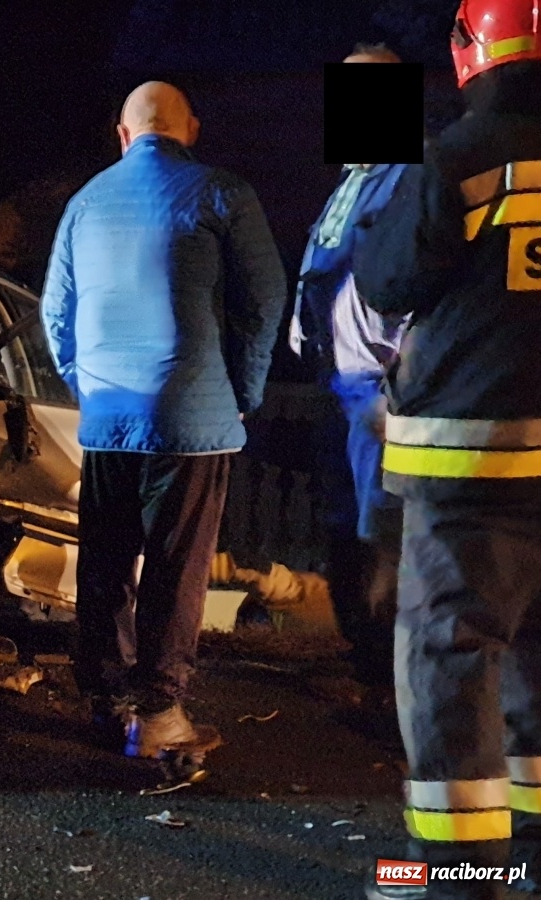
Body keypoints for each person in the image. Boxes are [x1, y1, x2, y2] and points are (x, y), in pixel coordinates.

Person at [352, 1, 541, 897]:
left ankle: (466, 878)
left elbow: (389, 278)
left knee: (452, 657)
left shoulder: (463, 154)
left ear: (474, 48)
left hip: (473, 462)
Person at [41, 81, 287, 764]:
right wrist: (244, 388)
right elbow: (265, 299)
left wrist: (89, 387)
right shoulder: (222, 193)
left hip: (109, 413)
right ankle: (159, 714)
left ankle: (102, 698)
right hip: (191, 413)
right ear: (192, 130)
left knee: (106, 560)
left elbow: (56, 313)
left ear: (124, 135)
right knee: (176, 566)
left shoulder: (84, 203)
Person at [288, 43, 412, 688]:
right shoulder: (351, 178)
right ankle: (361, 654)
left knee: (377, 530)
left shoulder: (407, 176)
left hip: (376, 390)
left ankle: (386, 674)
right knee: (342, 522)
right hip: (334, 385)